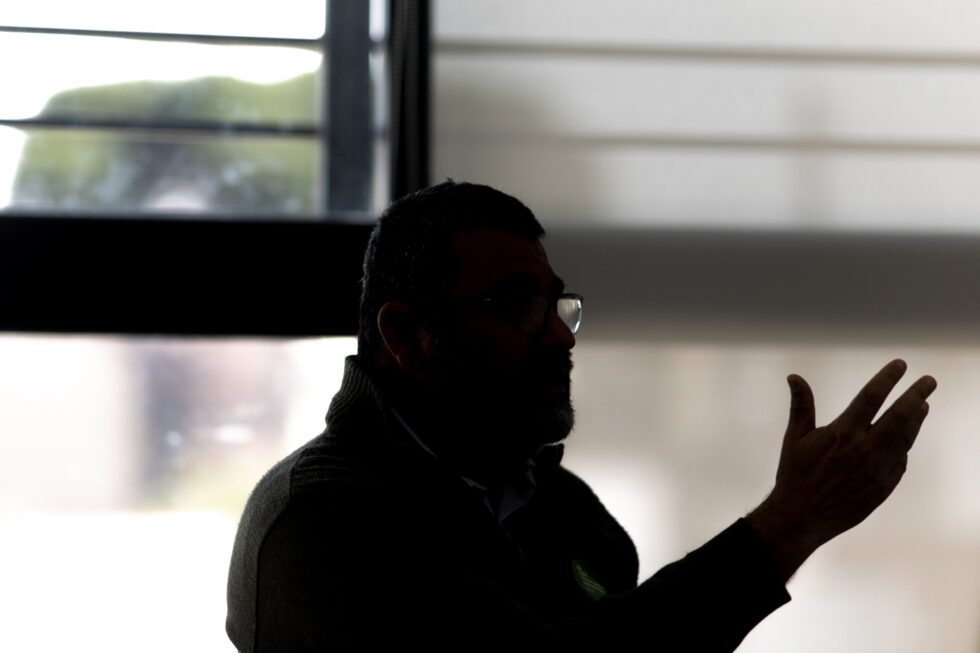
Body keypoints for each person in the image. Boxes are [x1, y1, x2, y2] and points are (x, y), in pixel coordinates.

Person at [225, 180, 937, 652]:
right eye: (517, 303)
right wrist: (788, 522)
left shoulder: (571, 514)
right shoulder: (320, 519)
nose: (560, 337)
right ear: (406, 336)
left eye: (558, 304)